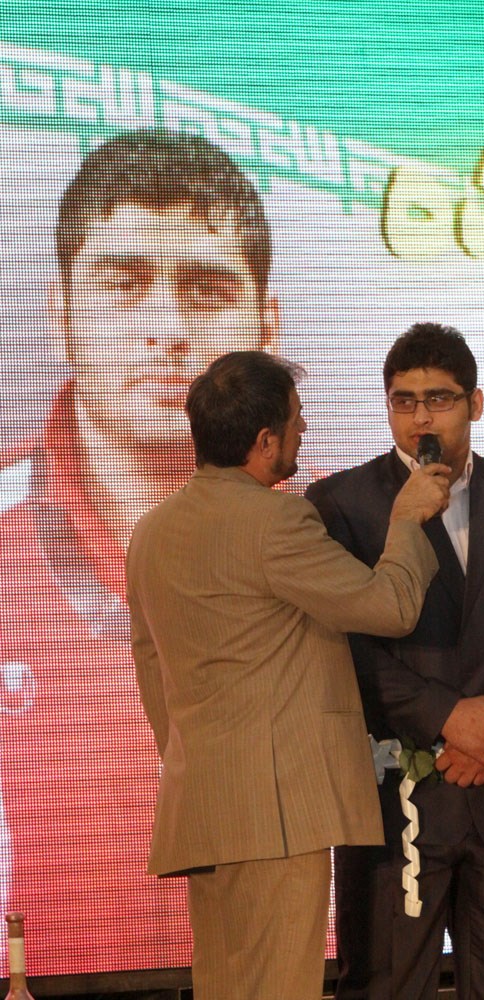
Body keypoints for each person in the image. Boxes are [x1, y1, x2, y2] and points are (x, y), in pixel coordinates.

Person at [0, 128, 279, 974]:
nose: (166, 329)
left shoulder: (346, 540)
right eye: (124, 285)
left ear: (266, 324)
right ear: (60, 315)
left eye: (206, 290)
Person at [125, 349, 457, 1000]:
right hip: (277, 815)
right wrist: (405, 519)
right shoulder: (275, 520)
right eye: (296, 418)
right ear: (264, 440)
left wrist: (200, 761)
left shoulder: (151, 532)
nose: (304, 429)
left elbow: (150, 666)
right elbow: (389, 607)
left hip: (207, 805)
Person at [306, 322, 484, 1000]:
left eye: (438, 399)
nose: (420, 418)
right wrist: (445, 716)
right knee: (384, 984)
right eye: (403, 401)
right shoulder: (340, 504)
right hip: (395, 805)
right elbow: (343, 646)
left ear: (475, 404)